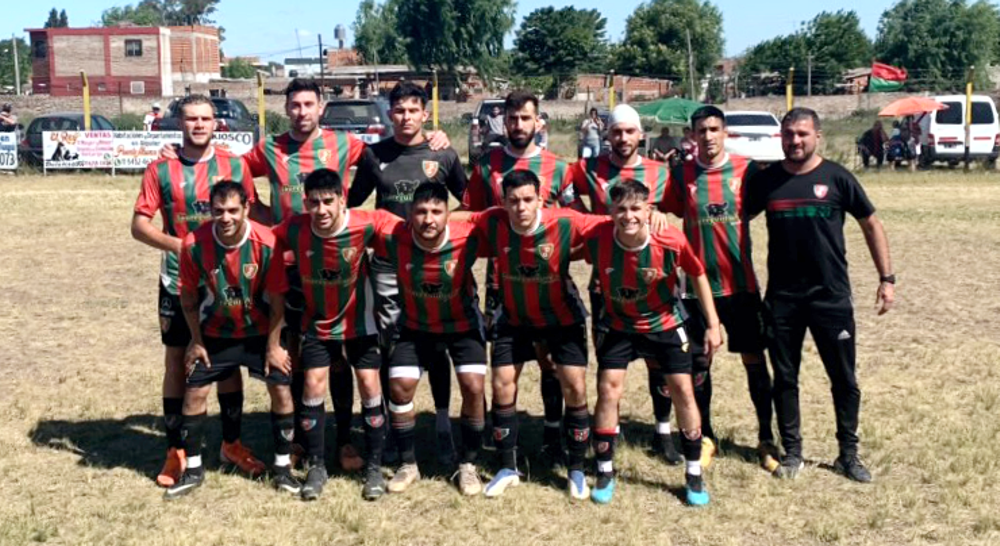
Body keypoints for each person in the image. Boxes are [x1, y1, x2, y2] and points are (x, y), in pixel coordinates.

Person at [746, 108, 895, 483]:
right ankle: (792, 451)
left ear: (818, 136)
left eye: (802, 134)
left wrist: (886, 277)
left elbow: (871, 223)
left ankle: (848, 454)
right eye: (788, 135)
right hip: (782, 299)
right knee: (785, 377)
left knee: (843, 379)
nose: (794, 141)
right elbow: (731, 221)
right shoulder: (767, 182)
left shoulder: (838, 178)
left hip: (831, 297)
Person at [131, 94, 261, 489]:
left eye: (205, 118)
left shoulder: (234, 165)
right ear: (179, 123)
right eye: (191, 119)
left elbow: (249, 215)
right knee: (176, 361)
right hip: (178, 279)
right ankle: (176, 451)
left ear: (215, 123)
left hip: (226, 281)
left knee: (227, 361)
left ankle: (231, 444)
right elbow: (140, 226)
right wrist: (182, 246)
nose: (199, 125)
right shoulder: (161, 168)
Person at [458, 170, 604, 500]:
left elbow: (608, 225)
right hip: (514, 317)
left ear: (540, 199)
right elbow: (464, 217)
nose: (520, 207)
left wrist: (651, 217)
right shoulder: (494, 221)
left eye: (527, 200)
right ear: (502, 202)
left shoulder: (566, 221)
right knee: (501, 384)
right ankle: (508, 467)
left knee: (575, 386)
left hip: (562, 317)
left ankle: (577, 469)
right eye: (513, 201)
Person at [347, 81, 468, 466]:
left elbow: (470, 204)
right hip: (387, 264)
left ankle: (444, 422)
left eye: (412, 110)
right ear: (390, 113)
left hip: (435, 265)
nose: (405, 117)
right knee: (393, 344)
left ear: (424, 114)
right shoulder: (374, 154)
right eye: (398, 110)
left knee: (439, 342)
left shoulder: (443, 154)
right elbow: (350, 205)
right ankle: (390, 424)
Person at [581, 180, 722, 506]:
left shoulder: (670, 238)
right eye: (620, 209)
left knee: (683, 392)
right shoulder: (597, 236)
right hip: (618, 325)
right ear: (610, 211)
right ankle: (604, 469)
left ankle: (693, 475)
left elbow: (698, 274)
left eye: (635, 209)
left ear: (649, 210)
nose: (628, 216)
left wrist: (713, 324)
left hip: (665, 323)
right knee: (608, 390)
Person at [461, 90, 577, 464]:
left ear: (538, 122)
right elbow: (471, 216)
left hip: (548, 279)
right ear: (503, 122)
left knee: (551, 361)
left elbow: (577, 221)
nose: (518, 125)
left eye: (525, 118)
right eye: (512, 118)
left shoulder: (559, 167)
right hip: (502, 281)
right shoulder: (487, 164)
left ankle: (553, 432)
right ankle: (504, 440)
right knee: (507, 362)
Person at [663, 105, 779, 474]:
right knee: (699, 363)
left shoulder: (747, 171)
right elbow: (665, 209)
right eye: (701, 130)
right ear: (692, 136)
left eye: (714, 129)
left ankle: (765, 437)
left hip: (741, 286)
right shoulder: (681, 175)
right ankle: (707, 435)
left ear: (725, 132)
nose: (708, 136)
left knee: (754, 361)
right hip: (696, 290)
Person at [165, 182, 295, 499]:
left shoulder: (266, 242)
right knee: (194, 392)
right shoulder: (193, 244)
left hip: (259, 333)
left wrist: (275, 346)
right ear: (210, 210)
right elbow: (188, 298)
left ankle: (283, 469)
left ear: (247, 209)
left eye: (233, 210)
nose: (226, 217)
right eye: (219, 210)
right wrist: (196, 341)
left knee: (280, 386)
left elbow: (278, 300)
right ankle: (193, 470)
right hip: (215, 334)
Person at [272, 168, 395, 501]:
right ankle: (317, 465)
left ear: (343, 200)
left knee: (370, 383)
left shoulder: (365, 223)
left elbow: (406, 232)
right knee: (312, 383)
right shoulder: (294, 227)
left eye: (328, 201)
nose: (322, 210)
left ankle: (373, 466)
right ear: (305, 203)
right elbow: (262, 240)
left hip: (361, 323)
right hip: (318, 323)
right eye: (314, 203)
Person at [568, 104, 674, 457]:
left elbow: (676, 210)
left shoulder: (661, 172)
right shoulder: (589, 168)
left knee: (659, 363)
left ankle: (663, 433)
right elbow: (560, 185)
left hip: (654, 280)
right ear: (607, 134)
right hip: (607, 283)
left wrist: (659, 215)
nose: (623, 138)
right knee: (609, 362)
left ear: (641, 134)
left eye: (630, 131)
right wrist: (585, 218)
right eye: (616, 131)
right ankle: (606, 436)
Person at [376, 182, 488, 496]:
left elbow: (502, 220)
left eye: (437, 211)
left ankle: (468, 464)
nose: (429, 219)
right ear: (409, 214)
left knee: (474, 387)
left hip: (462, 325)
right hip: (415, 325)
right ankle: (408, 463)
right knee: (399, 386)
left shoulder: (469, 234)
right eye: (421, 211)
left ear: (448, 214)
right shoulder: (393, 237)